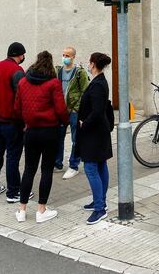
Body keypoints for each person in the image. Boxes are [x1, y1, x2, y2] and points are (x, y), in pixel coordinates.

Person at [13, 51, 68, 223]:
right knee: (46, 170)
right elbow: (60, 109)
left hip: (31, 131)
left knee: (29, 169)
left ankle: (21, 210)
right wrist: (64, 122)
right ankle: (41, 210)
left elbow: (17, 108)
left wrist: (24, 123)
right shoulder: (53, 83)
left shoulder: (23, 82)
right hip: (50, 131)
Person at [0, 42, 27, 202]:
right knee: (12, 157)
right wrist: (25, 120)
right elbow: (21, 97)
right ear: (20, 55)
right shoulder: (17, 71)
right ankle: (13, 192)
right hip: (12, 121)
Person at [77, 52, 114, 225]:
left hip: (94, 132)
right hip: (99, 132)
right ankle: (99, 201)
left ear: (92, 64)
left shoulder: (98, 84)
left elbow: (98, 111)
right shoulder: (99, 81)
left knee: (91, 167)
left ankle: (100, 208)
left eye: (89, 62)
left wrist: (85, 123)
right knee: (100, 165)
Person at [54, 46, 90, 179]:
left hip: (74, 111)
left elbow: (85, 92)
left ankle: (73, 165)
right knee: (59, 137)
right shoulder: (58, 71)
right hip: (61, 110)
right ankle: (57, 163)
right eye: (63, 55)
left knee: (76, 139)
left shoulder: (79, 72)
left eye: (67, 55)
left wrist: (76, 108)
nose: (65, 57)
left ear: (73, 57)